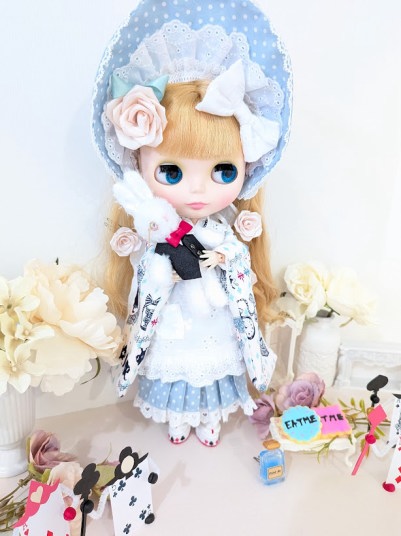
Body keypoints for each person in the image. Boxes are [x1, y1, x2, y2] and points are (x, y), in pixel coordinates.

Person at [91, 2, 292, 446]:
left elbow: (234, 257)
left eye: (223, 171)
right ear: (139, 166)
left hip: (216, 315)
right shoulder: (157, 229)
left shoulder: (222, 228)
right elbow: (150, 276)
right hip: (176, 314)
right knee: (176, 359)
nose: (198, 190)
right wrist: (160, 265)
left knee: (214, 360)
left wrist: (225, 256)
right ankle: (179, 419)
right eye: (172, 172)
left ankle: (210, 418)